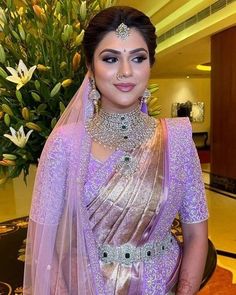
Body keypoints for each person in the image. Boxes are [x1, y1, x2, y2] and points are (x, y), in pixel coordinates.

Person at [23, 6, 209, 295]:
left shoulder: (178, 139)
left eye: (138, 58)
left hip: (162, 286)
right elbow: (47, 245)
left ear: (150, 64)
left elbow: (196, 234)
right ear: (91, 67)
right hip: (87, 286)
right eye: (110, 59)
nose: (125, 71)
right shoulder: (64, 144)